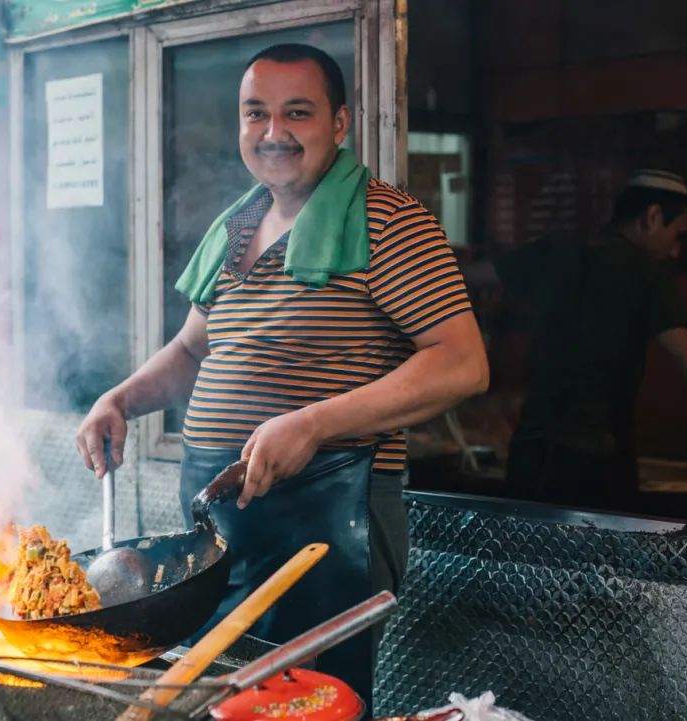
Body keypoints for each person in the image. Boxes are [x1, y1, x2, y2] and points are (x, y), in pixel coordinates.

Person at [76, 44, 488, 706]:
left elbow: (462, 362)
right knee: (221, 700)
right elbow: (191, 350)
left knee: (306, 705)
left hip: (326, 520)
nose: (273, 133)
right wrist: (120, 399)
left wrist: (313, 422)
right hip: (225, 524)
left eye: (297, 112)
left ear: (341, 122)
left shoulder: (388, 220)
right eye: (256, 114)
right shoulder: (237, 225)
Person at [495, 170, 687, 509]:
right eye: (677, 235)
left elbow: (469, 277)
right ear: (652, 217)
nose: (674, 251)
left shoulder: (556, 251)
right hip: (594, 460)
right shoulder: (646, 272)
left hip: (530, 453)